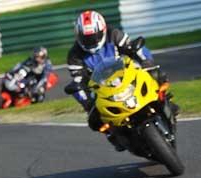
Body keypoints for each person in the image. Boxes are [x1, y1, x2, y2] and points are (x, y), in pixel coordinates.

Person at [65, 9, 176, 143]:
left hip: (127, 73)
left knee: (157, 75)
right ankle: (113, 134)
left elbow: (133, 48)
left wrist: (148, 64)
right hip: (101, 87)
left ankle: (165, 102)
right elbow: (78, 80)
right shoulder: (74, 55)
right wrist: (87, 103)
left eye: (94, 36)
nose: (91, 41)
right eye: (86, 38)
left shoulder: (114, 34)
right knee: (94, 119)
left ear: (103, 30)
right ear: (78, 36)